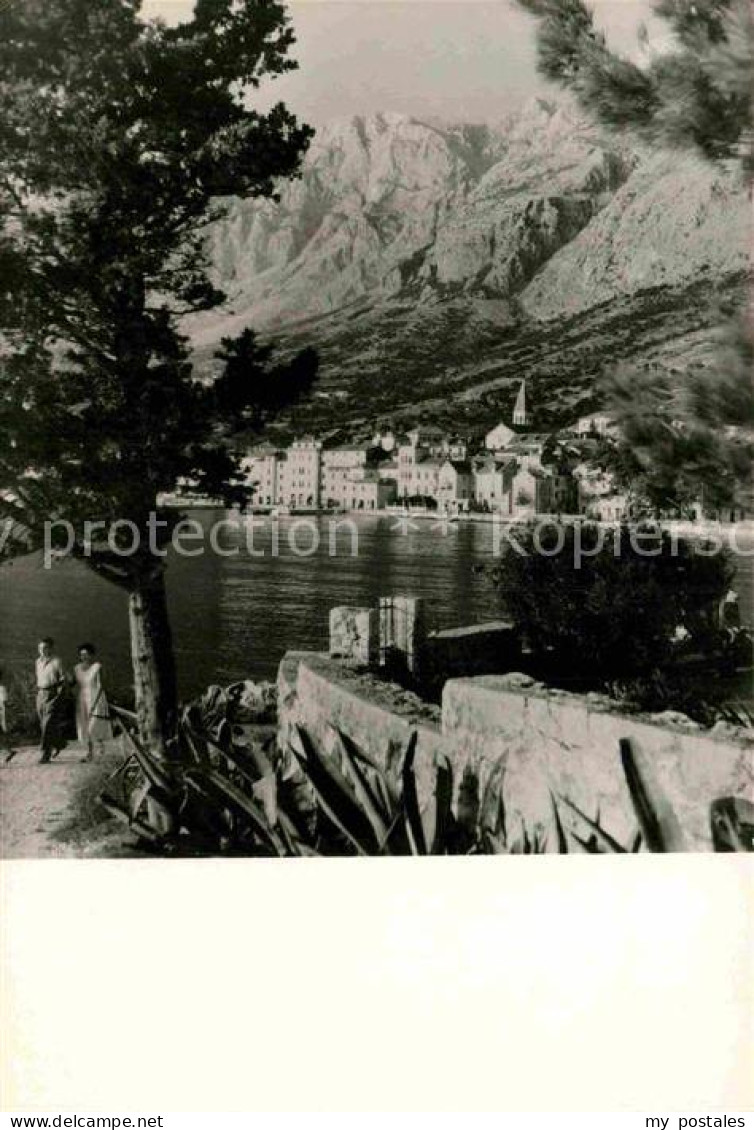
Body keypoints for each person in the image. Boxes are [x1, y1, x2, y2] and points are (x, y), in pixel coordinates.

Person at [73, 644, 113, 761]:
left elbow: (101, 686)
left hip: (96, 697)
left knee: (95, 725)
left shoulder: (97, 667)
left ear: (91, 655)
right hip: (83, 699)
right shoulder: (77, 668)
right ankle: (89, 753)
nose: (84, 657)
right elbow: (74, 684)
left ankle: (101, 749)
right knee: (85, 726)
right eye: (82, 655)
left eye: (86, 654)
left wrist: (95, 703)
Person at [35, 638, 68, 764]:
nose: (42, 651)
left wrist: (58, 694)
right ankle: (59, 743)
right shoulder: (37, 662)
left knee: (47, 724)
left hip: (53, 693)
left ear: (50, 648)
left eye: (45, 648)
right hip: (40, 694)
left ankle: (45, 754)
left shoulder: (57, 661)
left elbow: (63, 678)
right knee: (42, 723)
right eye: (40, 648)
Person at [0, 667, 13, 762]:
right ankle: (8, 751)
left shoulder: (2, 688)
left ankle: (8, 751)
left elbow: (4, 704)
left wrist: (4, 720)